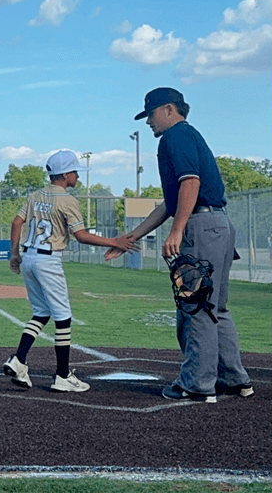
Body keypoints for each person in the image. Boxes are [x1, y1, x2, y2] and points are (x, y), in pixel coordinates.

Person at [105, 87, 253, 403]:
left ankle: (197, 385)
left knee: (195, 305)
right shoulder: (185, 135)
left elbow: (191, 182)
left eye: (151, 113)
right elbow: (167, 204)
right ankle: (235, 379)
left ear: (170, 109)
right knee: (216, 307)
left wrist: (177, 232)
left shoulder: (176, 136)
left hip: (200, 224)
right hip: (216, 223)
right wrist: (132, 237)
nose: (148, 121)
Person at [3, 149, 140, 393]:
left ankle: (19, 360)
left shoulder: (35, 195)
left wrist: (14, 254)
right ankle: (62, 375)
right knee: (63, 317)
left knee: (42, 312)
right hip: (48, 260)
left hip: (30, 258)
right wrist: (115, 242)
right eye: (75, 171)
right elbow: (81, 236)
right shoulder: (68, 200)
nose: (77, 175)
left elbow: (16, 222)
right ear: (65, 174)